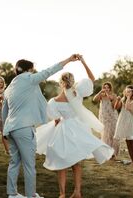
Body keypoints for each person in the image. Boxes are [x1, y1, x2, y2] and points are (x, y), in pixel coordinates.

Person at [2, 54, 80, 198]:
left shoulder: (9, 87)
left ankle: (12, 194)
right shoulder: (29, 79)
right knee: (29, 165)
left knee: (14, 162)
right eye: (33, 69)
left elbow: (4, 112)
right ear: (28, 70)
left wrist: (4, 132)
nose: (34, 71)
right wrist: (68, 60)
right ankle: (31, 195)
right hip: (24, 128)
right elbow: (49, 71)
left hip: (10, 129)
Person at [36, 56, 114, 198]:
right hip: (78, 130)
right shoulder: (77, 93)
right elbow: (92, 78)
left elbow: (54, 119)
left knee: (61, 163)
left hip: (63, 130)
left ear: (60, 83)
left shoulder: (54, 101)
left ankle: (62, 193)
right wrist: (83, 62)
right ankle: (77, 191)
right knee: (76, 163)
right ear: (72, 82)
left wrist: (56, 122)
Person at [93, 82, 119, 157]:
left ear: (110, 88)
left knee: (112, 133)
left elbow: (111, 100)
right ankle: (107, 151)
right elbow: (94, 99)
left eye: (108, 87)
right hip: (104, 116)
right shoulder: (101, 95)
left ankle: (113, 151)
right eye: (105, 87)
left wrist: (107, 93)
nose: (106, 89)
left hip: (112, 116)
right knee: (105, 134)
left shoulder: (113, 95)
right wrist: (100, 92)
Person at [114, 85, 133, 165]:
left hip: (132, 121)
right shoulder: (123, 99)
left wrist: (128, 97)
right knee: (128, 141)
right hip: (124, 121)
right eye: (126, 91)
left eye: (129, 91)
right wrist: (118, 100)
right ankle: (132, 160)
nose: (127, 93)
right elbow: (116, 107)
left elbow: (132, 111)